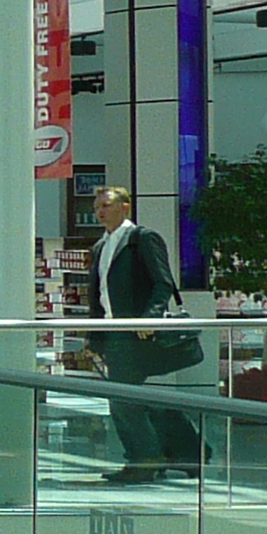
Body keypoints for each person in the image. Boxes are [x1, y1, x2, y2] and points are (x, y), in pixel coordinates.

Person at [90, 186, 201, 484]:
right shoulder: (100, 248)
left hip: (137, 334)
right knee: (126, 399)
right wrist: (94, 338)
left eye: (107, 205)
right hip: (114, 334)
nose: (100, 211)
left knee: (123, 400)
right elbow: (97, 298)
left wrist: (149, 318)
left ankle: (144, 461)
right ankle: (180, 451)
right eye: (97, 206)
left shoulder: (142, 239)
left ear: (125, 207)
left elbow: (163, 283)